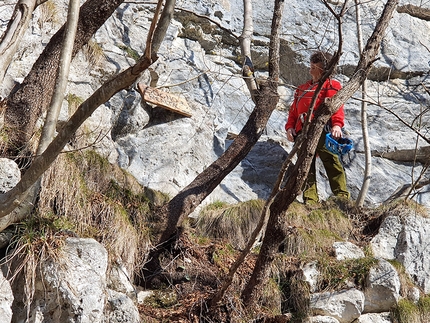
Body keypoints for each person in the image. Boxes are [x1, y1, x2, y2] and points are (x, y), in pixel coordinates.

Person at [285, 51, 350, 204]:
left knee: (332, 162)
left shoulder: (332, 85)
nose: (311, 66)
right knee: (305, 167)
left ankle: (342, 199)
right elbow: (293, 112)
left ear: (324, 69)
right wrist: (289, 128)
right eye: (312, 63)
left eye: (316, 64)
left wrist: (336, 124)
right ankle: (310, 200)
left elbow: (336, 107)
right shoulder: (301, 89)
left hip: (322, 130)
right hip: (302, 132)